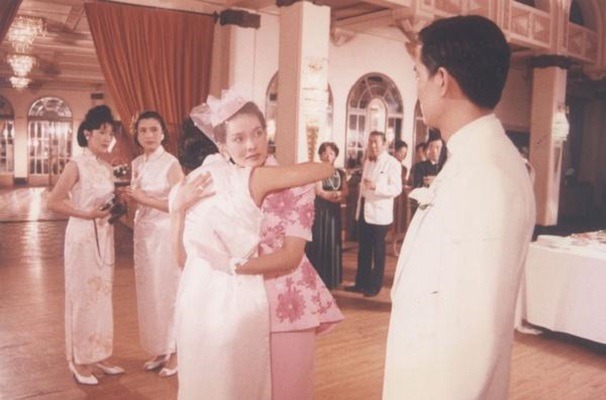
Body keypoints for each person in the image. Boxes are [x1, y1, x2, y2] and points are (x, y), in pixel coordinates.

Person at [383, 15, 536, 400]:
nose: (416, 87)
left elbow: (473, 333)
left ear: (442, 79)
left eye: (417, 74)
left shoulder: (487, 176)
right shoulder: (473, 160)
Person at [172, 91, 343, 400]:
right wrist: (179, 210)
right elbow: (187, 258)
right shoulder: (215, 185)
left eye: (257, 133)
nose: (250, 145)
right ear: (222, 147)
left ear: (268, 133)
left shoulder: (294, 183)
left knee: (290, 392)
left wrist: (233, 266)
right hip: (237, 308)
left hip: (287, 303)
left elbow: (291, 257)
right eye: (238, 138)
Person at [47, 105, 125, 385]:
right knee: (83, 298)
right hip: (81, 235)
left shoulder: (106, 167)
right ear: (87, 133)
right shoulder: (75, 164)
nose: (106, 138)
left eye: (110, 133)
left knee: (102, 297)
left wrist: (116, 208)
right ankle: (80, 361)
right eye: (101, 132)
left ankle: (99, 353)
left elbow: (107, 201)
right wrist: (87, 214)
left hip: (104, 234)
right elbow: (54, 202)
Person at [120, 111, 183, 377]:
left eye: (154, 130)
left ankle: (177, 351)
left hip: (164, 233)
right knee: (150, 294)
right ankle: (160, 348)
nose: (148, 135)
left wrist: (144, 199)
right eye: (143, 130)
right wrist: (129, 198)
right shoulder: (135, 163)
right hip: (143, 234)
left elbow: (180, 203)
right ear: (136, 134)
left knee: (168, 291)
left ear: (163, 133)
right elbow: (138, 198)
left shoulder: (171, 163)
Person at [346, 131, 402, 297]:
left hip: (379, 214)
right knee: (363, 250)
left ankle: (374, 286)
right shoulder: (368, 161)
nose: (372, 145)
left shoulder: (392, 163)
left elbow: (396, 189)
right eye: (370, 141)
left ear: (384, 144)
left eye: (376, 142)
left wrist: (376, 186)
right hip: (364, 210)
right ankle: (360, 283)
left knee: (378, 252)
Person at [305, 141, 348, 289]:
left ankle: (331, 279)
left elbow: (346, 190)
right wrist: (334, 195)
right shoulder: (317, 171)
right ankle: (317, 278)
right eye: (325, 152)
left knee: (332, 241)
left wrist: (339, 194)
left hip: (334, 211)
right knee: (320, 240)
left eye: (331, 153)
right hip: (321, 210)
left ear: (335, 155)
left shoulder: (340, 172)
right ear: (320, 155)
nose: (328, 155)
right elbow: (319, 191)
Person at [391, 140, 409, 255]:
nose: (403, 155)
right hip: (391, 196)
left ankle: (393, 246)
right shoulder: (389, 163)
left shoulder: (404, 168)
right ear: (395, 151)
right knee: (390, 223)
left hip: (401, 196)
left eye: (405, 153)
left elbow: (403, 181)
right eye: (401, 152)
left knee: (399, 222)